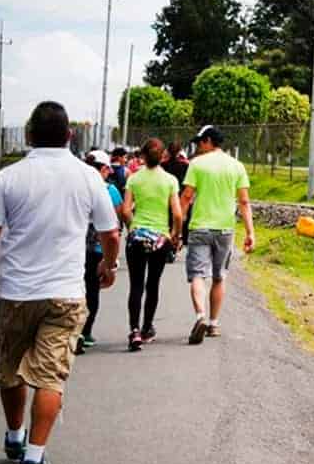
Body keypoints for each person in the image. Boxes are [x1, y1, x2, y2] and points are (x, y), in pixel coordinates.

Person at [0, 101, 120, 464]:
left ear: (30, 135)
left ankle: (15, 437)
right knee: (51, 378)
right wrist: (108, 265)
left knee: (11, 371)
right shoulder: (88, 178)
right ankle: (34, 461)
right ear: (70, 136)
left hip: (16, 293)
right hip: (65, 295)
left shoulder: (9, 177)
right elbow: (111, 233)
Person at [179, 126, 255, 345]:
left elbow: (186, 196)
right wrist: (250, 232)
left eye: (200, 142)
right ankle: (213, 323)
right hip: (225, 229)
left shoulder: (197, 164)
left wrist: (177, 226)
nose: (198, 146)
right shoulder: (237, 166)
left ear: (209, 141)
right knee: (219, 276)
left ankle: (200, 316)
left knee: (197, 275)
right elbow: (244, 202)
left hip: (200, 227)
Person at [121, 138, 183, 350]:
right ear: (163, 155)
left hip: (137, 236)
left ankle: (134, 330)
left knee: (136, 285)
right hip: (160, 239)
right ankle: (147, 327)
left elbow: (126, 210)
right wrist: (175, 235)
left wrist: (133, 229)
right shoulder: (170, 180)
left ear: (143, 156)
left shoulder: (134, 179)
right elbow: (177, 213)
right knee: (153, 284)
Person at [77, 149, 125, 354]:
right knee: (93, 289)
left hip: (76, 248)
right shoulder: (110, 190)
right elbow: (117, 219)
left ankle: (75, 330)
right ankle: (85, 331)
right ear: (104, 169)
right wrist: (112, 260)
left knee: (77, 288)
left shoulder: (76, 187)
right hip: (99, 248)